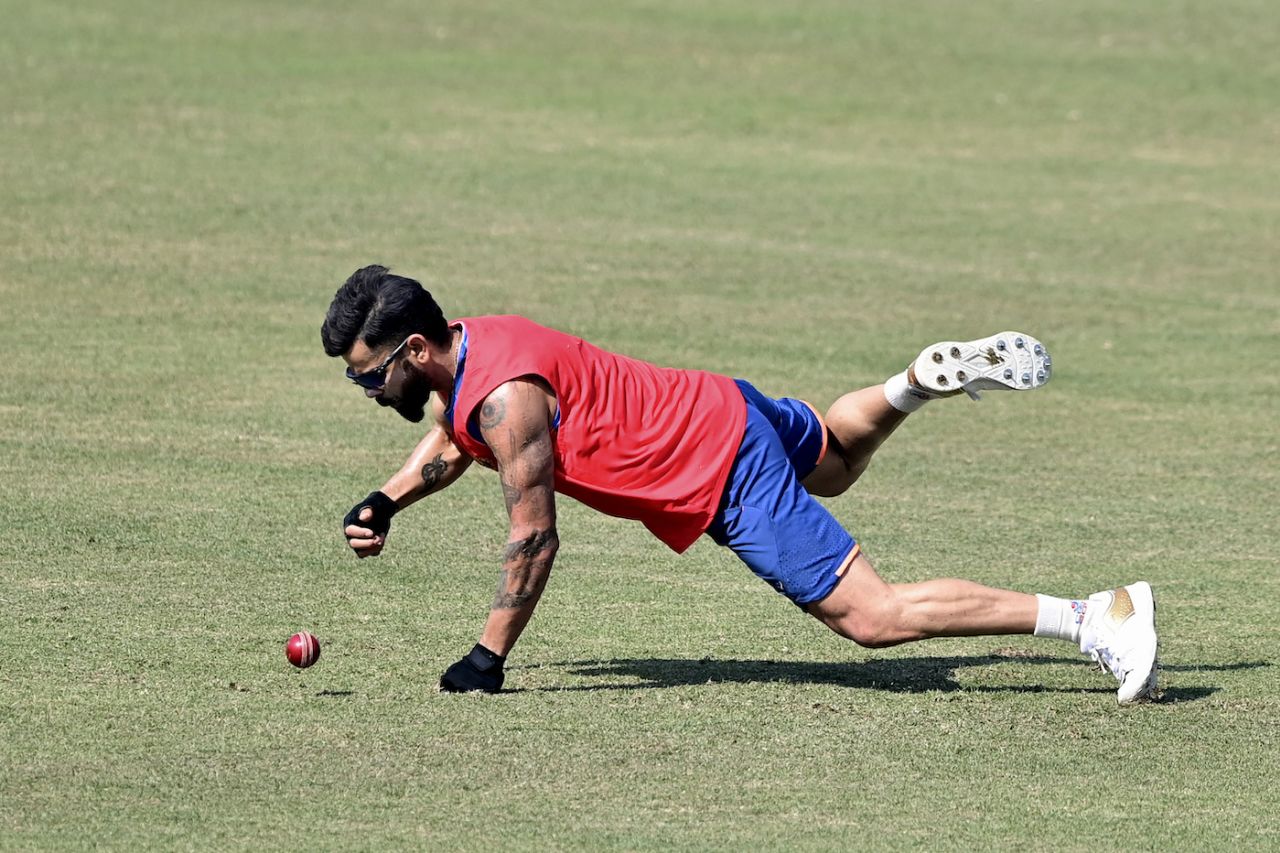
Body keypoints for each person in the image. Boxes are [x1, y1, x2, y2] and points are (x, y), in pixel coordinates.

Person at [321, 265, 1159, 703]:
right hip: (718, 402)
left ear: (417, 349)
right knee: (835, 459)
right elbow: (454, 434)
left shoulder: (506, 400)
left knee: (872, 616)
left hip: (715, 465)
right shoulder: (474, 345)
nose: (367, 390)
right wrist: (388, 498)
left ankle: (1097, 616)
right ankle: (912, 383)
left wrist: (486, 658)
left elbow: (533, 536)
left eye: (370, 375)